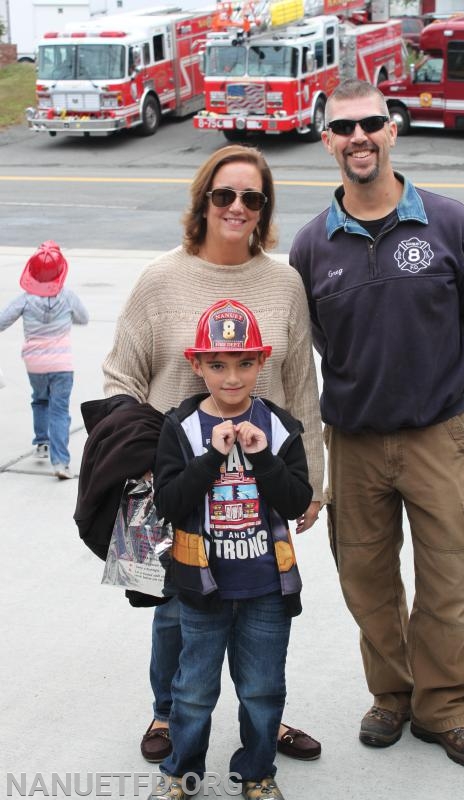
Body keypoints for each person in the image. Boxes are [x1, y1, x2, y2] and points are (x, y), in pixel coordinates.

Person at [289, 79, 464, 768]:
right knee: (367, 580)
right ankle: (391, 695)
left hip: (435, 434)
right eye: (343, 128)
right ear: (325, 141)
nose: (358, 138)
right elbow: (319, 338)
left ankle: (443, 708)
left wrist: (430, 381)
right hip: (354, 442)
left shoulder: (450, 223)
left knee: (449, 576)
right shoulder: (312, 246)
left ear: (392, 129)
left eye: (370, 124)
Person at [102, 145, 324, 764]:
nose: (237, 206)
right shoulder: (160, 280)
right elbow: (121, 376)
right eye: (224, 194)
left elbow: (302, 383)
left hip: (262, 488)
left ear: (264, 209)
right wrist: (152, 465)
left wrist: (316, 480)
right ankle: (168, 715)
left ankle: (264, 724)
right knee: (179, 608)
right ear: (202, 200)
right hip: (182, 484)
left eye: (251, 197)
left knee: (262, 608)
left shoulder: (284, 283)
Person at [151, 298, 312, 800]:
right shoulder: (181, 427)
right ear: (196, 364)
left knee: (263, 690)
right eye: (217, 364)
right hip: (202, 587)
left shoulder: (280, 426)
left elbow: (296, 498)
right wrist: (209, 459)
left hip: (266, 585)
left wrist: (262, 457)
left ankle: (258, 773)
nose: (232, 377)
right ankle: (182, 773)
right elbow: (172, 505)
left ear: (262, 363)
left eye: (244, 363)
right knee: (193, 691)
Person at [0, 240, 89, 479]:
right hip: (62, 364)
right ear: (61, 271)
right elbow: (84, 318)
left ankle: (42, 442)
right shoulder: (68, 296)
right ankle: (60, 462)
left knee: (40, 400)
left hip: (35, 364)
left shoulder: (25, 299)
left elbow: (2, 321)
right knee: (59, 411)